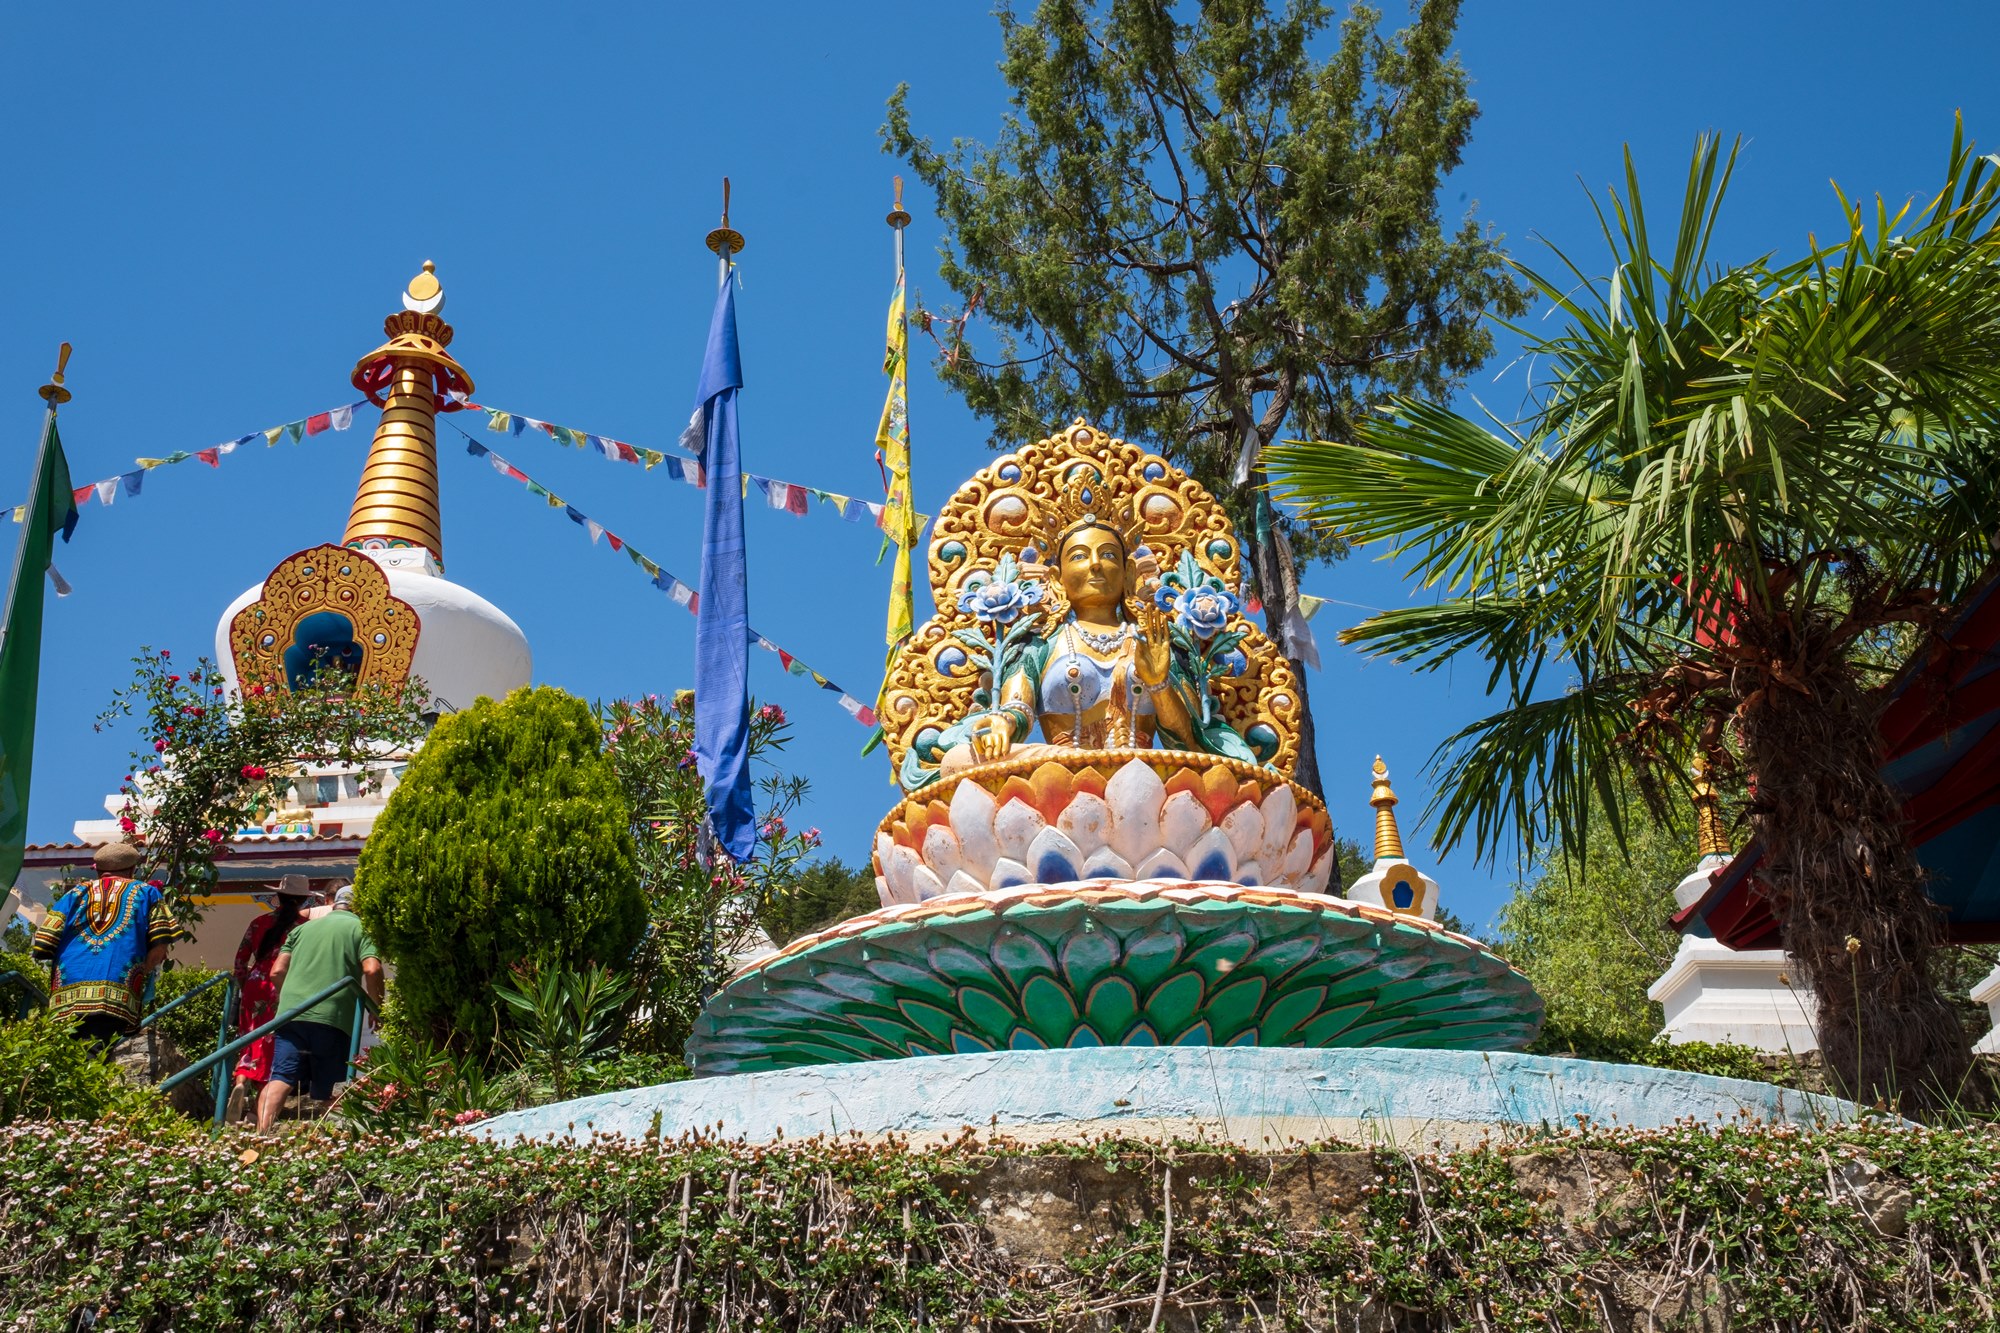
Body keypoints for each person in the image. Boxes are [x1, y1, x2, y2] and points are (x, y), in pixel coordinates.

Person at [29, 841, 182, 1049]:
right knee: (96, 1055)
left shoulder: (74, 894)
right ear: (132, 869)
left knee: (66, 1055)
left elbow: (44, 940)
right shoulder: (147, 893)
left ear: (99, 870)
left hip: (67, 991)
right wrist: (143, 970)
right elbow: (160, 944)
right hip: (116, 987)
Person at [255, 886, 383, 1132]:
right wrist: (376, 1007)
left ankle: (261, 1135)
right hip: (333, 1015)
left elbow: (277, 971)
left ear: (334, 904)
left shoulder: (301, 929)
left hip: (292, 1013)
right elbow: (372, 969)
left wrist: (293, 998)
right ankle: (330, 1141)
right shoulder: (362, 929)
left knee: (281, 1077)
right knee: (333, 1086)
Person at [223, 875, 314, 1123]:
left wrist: (245, 985)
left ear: (278, 897)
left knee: (249, 1037)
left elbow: (240, 962)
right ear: (304, 900)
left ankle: (241, 1080)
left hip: (255, 984)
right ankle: (257, 1109)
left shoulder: (258, 922)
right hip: (283, 987)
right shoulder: (303, 928)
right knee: (273, 1042)